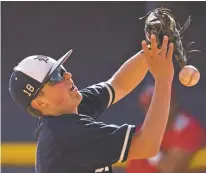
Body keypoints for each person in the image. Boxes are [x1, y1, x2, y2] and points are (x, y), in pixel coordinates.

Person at [9, 35, 174, 173]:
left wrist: (154, 47)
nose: (67, 75)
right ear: (40, 103)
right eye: (55, 77)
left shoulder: (68, 112)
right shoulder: (66, 135)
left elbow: (118, 85)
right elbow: (147, 145)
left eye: (61, 70)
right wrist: (164, 80)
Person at [126, 84, 206, 173]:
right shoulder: (141, 131)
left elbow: (171, 168)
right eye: (149, 106)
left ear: (173, 103)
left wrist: (150, 152)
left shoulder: (188, 127)